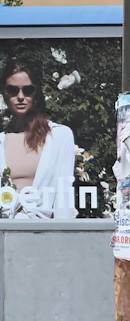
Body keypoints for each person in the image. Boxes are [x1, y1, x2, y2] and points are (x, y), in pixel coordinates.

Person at [1, 57, 76, 219]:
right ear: (5, 94)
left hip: (42, 232)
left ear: (36, 94)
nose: (20, 97)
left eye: (28, 90)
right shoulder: (2, 141)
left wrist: (63, 236)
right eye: (13, 90)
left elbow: (63, 197)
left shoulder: (59, 136)